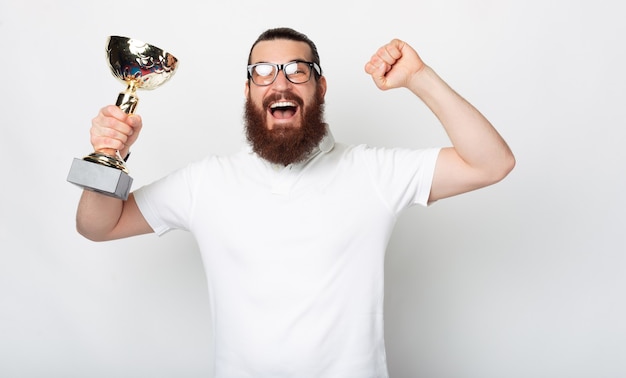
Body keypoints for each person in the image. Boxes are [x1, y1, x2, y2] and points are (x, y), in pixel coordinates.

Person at [76, 27, 515, 377]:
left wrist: (419, 77)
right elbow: (98, 226)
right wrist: (110, 156)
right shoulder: (205, 182)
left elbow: (491, 163)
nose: (279, 82)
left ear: (320, 87)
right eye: (262, 71)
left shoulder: (374, 172)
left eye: (297, 70)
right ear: (248, 91)